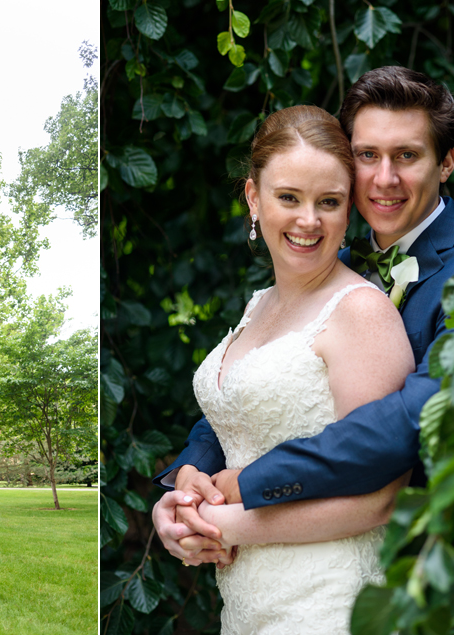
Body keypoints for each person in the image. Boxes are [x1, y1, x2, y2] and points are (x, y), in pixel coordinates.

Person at [152, 66, 454, 568]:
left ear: (447, 163)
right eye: (367, 155)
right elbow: (253, 391)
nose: (384, 178)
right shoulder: (327, 262)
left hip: (450, 563)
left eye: (408, 156)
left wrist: (245, 485)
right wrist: (189, 477)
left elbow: (409, 421)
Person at [157, 103, 415, 633]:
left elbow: (382, 498)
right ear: (254, 198)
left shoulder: (361, 312)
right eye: (288, 197)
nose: (308, 220)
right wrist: (180, 501)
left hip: (331, 600)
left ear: (350, 209)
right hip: (249, 601)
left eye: (329, 202)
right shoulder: (258, 306)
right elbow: (234, 423)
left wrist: (225, 525)